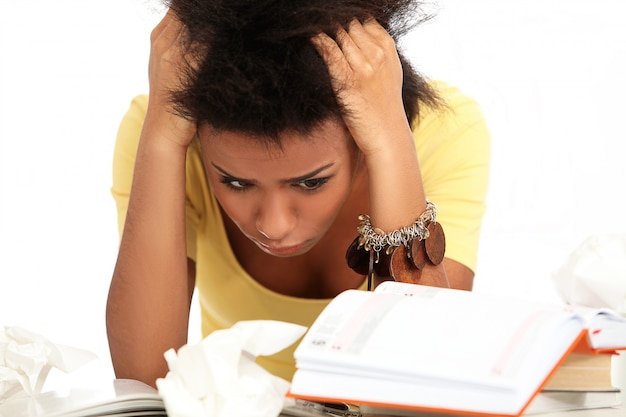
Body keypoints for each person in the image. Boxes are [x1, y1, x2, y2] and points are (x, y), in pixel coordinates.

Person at [106, 0, 491, 388]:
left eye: (311, 182)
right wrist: (161, 141)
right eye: (236, 182)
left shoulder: (443, 134)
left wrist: (390, 142)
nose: (274, 226)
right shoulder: (164, 133)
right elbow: (141, 382)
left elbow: (424, 381)